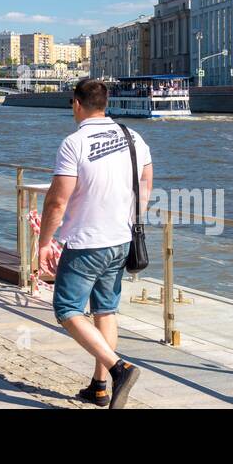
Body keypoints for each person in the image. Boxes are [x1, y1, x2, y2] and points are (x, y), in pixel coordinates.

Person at [36, 78, 150, 408]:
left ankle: (119, 368)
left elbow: (57, 200)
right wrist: (127, 219)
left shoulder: (75, 143)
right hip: (121, 239)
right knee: (105, 310)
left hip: (86, 241)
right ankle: (100, 386)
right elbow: (146, 185)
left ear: (76, 103)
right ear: (106, 103)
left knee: (67, 309)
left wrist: (45, 242)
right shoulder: (133, 137)